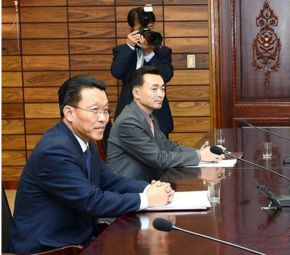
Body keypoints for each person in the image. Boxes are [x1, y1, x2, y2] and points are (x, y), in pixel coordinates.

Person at [10, 75, 175, 254]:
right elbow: (92, 201)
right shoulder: (55, 150)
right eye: (95, 110)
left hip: (79, 237)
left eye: (105, 111)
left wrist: (149, 188)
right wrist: (147, 199)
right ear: (69, 113)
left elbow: (111, 181)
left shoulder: (85, 141)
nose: (103, 118)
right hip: (50, 247)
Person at [107, 66, 224, 182]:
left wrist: (198, 153)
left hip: (151, 183)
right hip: (130, 189)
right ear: (136, 93)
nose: (160, 94)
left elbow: (169, 147)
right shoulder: (129, 122)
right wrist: (199, 156)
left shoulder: (148, 117)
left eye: (162, 89)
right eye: (154, 89)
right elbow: (158, 158)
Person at [111, 5, 174, 138]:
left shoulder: (162, 52)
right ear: (132, 29)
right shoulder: (122, 51)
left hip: (158, 116)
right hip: (128, 112)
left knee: (162, 153)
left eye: (149, 28)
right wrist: (129, 47)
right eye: (141, 29)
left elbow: (166, 76)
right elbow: (116, 72)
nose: (145, 32)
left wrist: (149, 54)